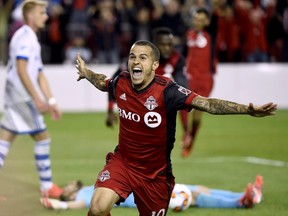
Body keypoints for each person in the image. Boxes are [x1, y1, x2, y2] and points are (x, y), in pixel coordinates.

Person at [74, 40, 277, 216]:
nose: (136, 61)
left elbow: (207, 104)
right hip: (123, 163)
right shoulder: (122, 81)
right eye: (132, 56)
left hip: (155, 175)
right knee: (98, 207)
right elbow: (103, 82)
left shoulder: (168, 92)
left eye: (143, 58)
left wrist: (246, 110)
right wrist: (86, 72)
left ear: (154, 65)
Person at [0, 0, 63, 198]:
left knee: (5, 138)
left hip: (13, 95)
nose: (46, 16)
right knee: (42, 137)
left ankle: (47, 186)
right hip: (22, 95)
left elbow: (39, 74)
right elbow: (21, 68)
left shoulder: (28, 37)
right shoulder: (26, 37)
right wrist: (37, 99)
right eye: (42, 12)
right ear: (30, 16)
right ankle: (47, 187)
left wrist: (51, 101)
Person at [106, 27, 190, 148]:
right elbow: (114, 82)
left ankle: (186, 132)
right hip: (138, 104)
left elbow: (183, 86)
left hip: (160, 105)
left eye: (170, 44)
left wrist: (174, 85)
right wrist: (110, 110)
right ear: (154, 45)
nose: (167, 48)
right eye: (163, 44)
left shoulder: (177, 59)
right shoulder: (138, 59)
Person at [40, 175, 263, 211]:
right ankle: (240, 203)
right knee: (192, 196)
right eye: (66, 188)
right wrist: (55, 204)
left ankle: (245, 194)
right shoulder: (85, 196)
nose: (69, 185)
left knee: (197, 189)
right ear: (69, 195)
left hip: (147, 187)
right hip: (146, 198)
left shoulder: (89, 188)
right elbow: (77, 206)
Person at [182, 7, 219, 158]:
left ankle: (191, 140)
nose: (197, 22)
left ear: (207, 22)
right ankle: (186, 135)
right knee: (182, 106)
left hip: (205, 79)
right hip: (190, 78)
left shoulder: (211, 35)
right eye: (196, 19)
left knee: (197, 115)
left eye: (201, 19)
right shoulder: (189, 35)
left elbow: (218, 18)